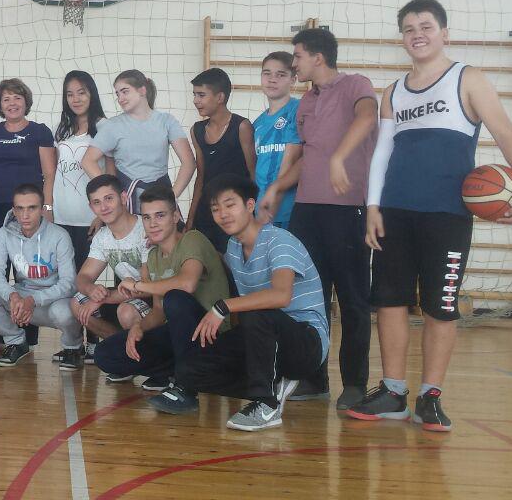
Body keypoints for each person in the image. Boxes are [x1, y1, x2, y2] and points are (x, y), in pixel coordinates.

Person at [348, 0, 512, 432]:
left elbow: (506, 133)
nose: (417, 34)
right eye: (409, 28)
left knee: (441, 305)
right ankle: (393, 392)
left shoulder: (467, 78)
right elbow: (382, 153)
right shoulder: (393, 92)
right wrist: (373, 206)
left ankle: (430, 396)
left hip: (447, 214)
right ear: (402, 38)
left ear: (444, 33)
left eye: (426, 26)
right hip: (395, 211)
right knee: (390, 301)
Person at [148, 175, 328, 433]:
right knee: (191, 369)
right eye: (215, 209)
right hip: (263, 338)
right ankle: (275, 383)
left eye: (230, 204)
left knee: (257, 313)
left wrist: (222, 307)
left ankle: (266, 404)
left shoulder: (279, 240)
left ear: (250, 205)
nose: (223, 214)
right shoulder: (233, 248)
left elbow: (281, 296)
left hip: (306, 343)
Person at [278, 27, 378, 409]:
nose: (294, 63)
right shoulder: (306, 101)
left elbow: (367, 117)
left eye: (298, 56)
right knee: (309, 298)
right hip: (307, 209)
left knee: (352, 299)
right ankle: (314, 377)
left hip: (347, 208)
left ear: (318, 57)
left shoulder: (356, 85)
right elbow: (308, 157)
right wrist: (276, 189)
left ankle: (354, 384)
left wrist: (340, 157)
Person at [91, 184, 231, 389]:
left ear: (175, 217)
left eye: (160, 215)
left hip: (211, 335)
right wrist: (139, 327)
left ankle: (186, 385)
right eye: (147, 218)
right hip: (177, 336)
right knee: (105, 353)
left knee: (175, 298)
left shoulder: (193, 239)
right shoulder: (154, 256)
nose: (153, 224)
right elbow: (158, 311)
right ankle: (173, 372)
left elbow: (187, 284)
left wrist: (138, 285)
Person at [0, 78, 56, 354]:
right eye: (6, 99)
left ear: (26, 101)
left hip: (28, 209)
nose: (12, 103)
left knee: (27, 272)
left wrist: (47, 209)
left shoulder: (39, 132)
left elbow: (49, 174)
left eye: (17, 98)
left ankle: (27, 335)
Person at [0, 183, 84, 370]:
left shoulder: (60, 235)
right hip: (22, 299)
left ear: (42, 209)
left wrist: (33, 300)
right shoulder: (4, 233)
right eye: (20, 208)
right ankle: (16, 342)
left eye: (32, 208)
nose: (25, 215)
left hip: (53, 301)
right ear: (14, 210)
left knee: (64, 312)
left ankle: (73, 347)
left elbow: (69, 283)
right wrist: (12, 295)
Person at [82, 69, 195, 215]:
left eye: (125, 91)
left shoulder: (166, 121)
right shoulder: (112, 126)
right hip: (128, 202)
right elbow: (87, 161)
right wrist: (112, 193)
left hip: (161, 198)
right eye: (117, 94)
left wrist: (172, 198)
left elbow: (189, 162)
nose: (120, 98)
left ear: (142, 90)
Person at [53, 70, 110, 353]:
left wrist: (102, 214)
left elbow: (111, 174)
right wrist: (49, 210)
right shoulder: (62, 130)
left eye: (81, 92)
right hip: (62, 218)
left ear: (92, 94)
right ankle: (73, 344)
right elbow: (53, 174)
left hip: (90, 220)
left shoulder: (104, 127)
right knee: (69, 282)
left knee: (87, 283)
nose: (75, 99)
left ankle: (94, 342)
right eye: (70, 94)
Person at [66, 175, 150, 361]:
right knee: (78, 302)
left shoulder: (145, 229)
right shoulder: (102, 237)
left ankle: (148, 360)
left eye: (109, 198)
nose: (103, 207)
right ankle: (124, 352)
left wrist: (104, 298)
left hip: (156, 301)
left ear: (123, 197)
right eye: (97, 202)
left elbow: (148, 287)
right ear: (91, 208)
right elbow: (83, 277)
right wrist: (91, 289)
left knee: (126, 311)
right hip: (127, 296)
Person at [187, 68, 256, 253]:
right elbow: (201, 177)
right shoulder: (196, 130)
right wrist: (191, 219)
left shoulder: (242, 126)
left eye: (201, 95)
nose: (195, 100)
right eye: (194, 94)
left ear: (220, 97)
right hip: (207, 211)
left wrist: (254, 213)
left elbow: (253, 173)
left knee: (233, 264)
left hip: (235, 213)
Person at [253, 52, 300, 228]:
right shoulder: (257, 124)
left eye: (280, 75)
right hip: (261, 208)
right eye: (267, 73)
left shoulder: (298, 110)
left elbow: (294, 160)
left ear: (293, 80)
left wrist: (276, 199)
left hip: (289, 209)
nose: (272, 79)